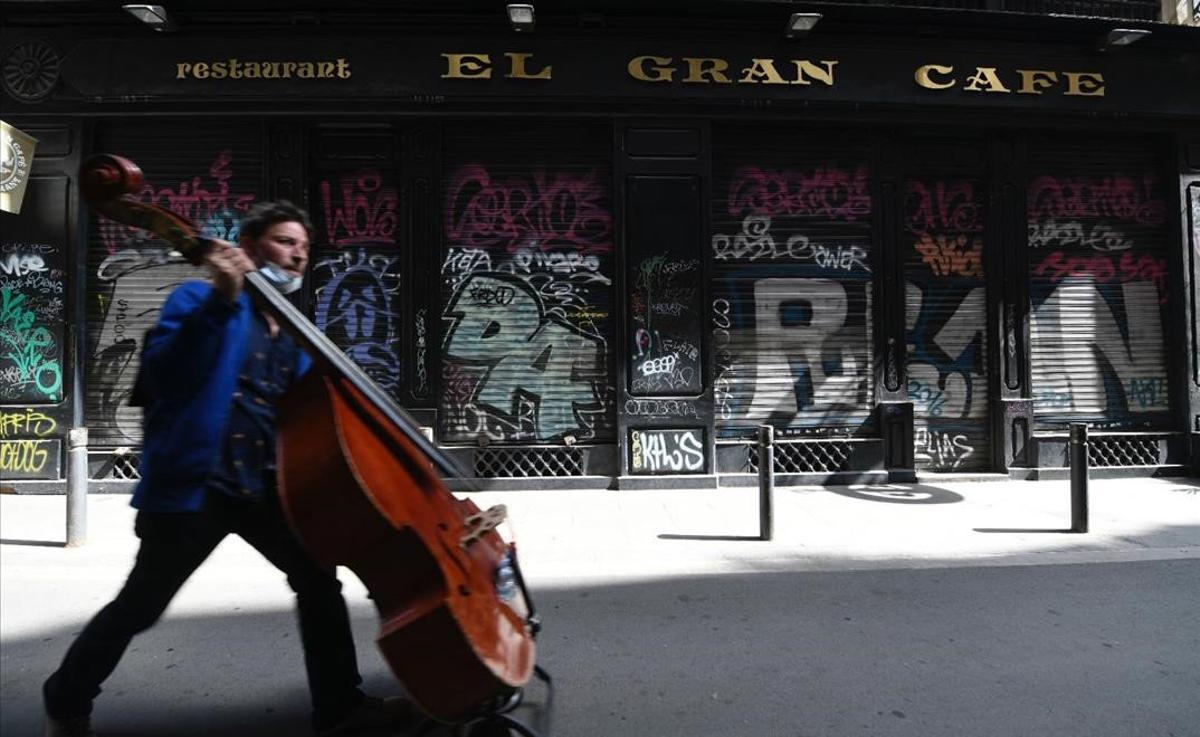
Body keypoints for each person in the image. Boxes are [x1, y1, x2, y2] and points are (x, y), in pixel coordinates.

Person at [43, 201, 414, 737]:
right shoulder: (198, 299)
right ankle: (65, 695)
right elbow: (166, 374)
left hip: (264, 487)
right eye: (286, 242)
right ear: (249, 245)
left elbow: (318, 416)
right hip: (198, 486)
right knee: (142, 605)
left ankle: (339, 708)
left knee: (317, 582)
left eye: (304, 249)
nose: (298, 255)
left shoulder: (291, 332)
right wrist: (222, 298)